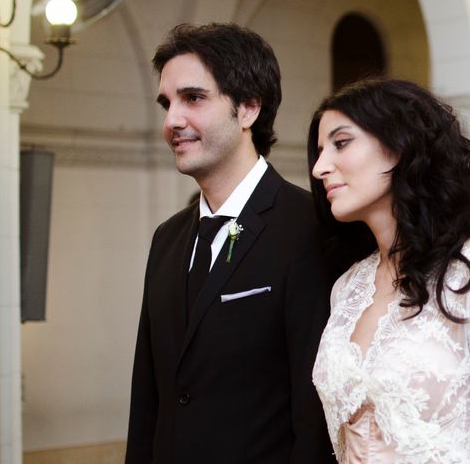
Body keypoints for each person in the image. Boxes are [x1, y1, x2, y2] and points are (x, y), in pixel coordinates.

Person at [307, 78, 470, 463]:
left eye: (341, 143)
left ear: (400, 147)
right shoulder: (348, 287)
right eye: (320, 151)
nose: (320, 167)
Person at [125, 23, 333, 463]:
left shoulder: (310, 229)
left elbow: (314, 416)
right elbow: (149, 398)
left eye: (193, 98)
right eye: (167, 103)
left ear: (248, 109)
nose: (171, 121)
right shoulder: (167, 238)